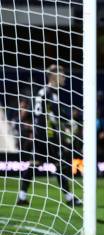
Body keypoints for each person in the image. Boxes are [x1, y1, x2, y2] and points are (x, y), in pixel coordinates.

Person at [17, 65, 82, 206]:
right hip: (47, 135)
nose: (64, 77)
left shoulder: (42, 92)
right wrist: (70, 121)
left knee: (34, 165)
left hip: (39, 133)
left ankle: (21, 197)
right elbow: (57, 112)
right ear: (54, 76)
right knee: (60, 165)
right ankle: (70, 199)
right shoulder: (50, 93)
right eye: (62, 75)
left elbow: (45, 113)